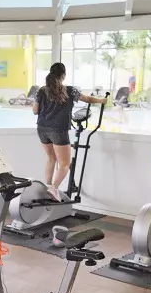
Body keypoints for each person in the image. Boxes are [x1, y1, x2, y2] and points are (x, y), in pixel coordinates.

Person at [33, 62, 107, 194]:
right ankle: (53, 189)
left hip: (42, 128)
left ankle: (47, 186)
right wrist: (102, 101)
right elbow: (88, 99)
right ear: (63, 75)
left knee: (51, 158)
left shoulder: (41, 91)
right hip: (58, 130)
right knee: (65, 164)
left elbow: (35, 110)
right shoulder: (70, 90)